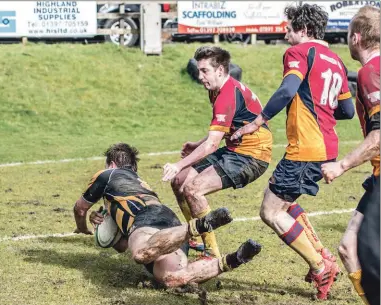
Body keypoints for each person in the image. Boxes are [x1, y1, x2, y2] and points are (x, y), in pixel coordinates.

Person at [230, 4, 355, 300]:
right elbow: (348, 110)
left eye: (289, 28)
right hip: (327, 146)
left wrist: (256, 123)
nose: (285, 33)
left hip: (306, 147)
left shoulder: (299, 53)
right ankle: (322, 254)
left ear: (304, 30)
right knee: (283, 203)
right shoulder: (337, 60)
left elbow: (287, 91)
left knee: (270, 211)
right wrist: (321, 111)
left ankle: (320, 265)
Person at [73, 143, 263, 287]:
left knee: (140, 254)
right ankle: (233, 259)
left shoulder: (108, 175)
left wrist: (83, 229)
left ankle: (198, 226)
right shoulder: (138, 184)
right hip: (168, 223)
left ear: (112, 164)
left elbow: (79, 209)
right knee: (173, 279)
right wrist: (104, 222)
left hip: (146, 219)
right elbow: (122, 245)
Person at [162, 46, 273, 258]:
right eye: (199, 70)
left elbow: (212, 146)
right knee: (179, 181)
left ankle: (211, 254)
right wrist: (197, 144)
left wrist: (178, 164)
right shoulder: (217, 90)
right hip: (235, 149)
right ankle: (192, 238)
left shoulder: (226, 94)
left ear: (220, 70)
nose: (199, 76)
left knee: (193, 190)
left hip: (252, 156)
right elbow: (220, 131)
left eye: (204, 71)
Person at [321, 6, 380, 305]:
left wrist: (341, 165)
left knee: (366, 253)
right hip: (377, 176)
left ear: (356, 37)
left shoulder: (371, 72)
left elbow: (379, 137)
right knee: (348, 246)